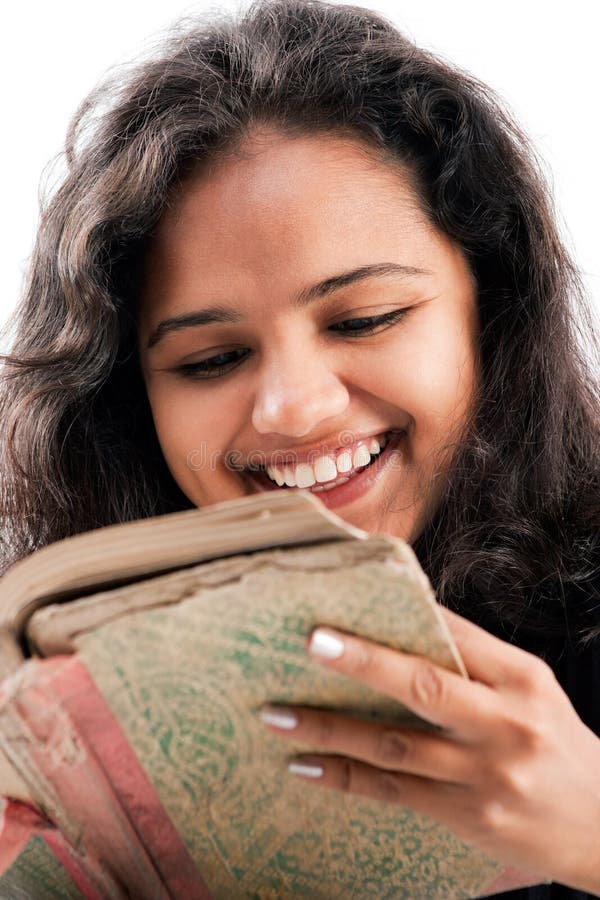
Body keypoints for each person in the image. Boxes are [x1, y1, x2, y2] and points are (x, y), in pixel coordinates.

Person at [1, 0, 599, 896]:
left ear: (495, 310)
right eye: (213, 359)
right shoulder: (60, 694)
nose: (293, 410)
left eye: (365, 319)